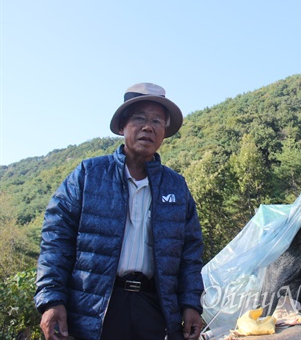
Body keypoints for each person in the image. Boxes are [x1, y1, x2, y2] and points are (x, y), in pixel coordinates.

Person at [34, 83, 205, 340]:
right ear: (123, 126)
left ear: (164, 132)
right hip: (94, 308)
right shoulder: (88, 175)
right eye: (140, 119)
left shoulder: (176, 186)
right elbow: (55, 239)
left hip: (153, 308)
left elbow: (190, 251)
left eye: (157, 121)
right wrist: (51, 300)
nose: (149, 127)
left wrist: (191, 304)